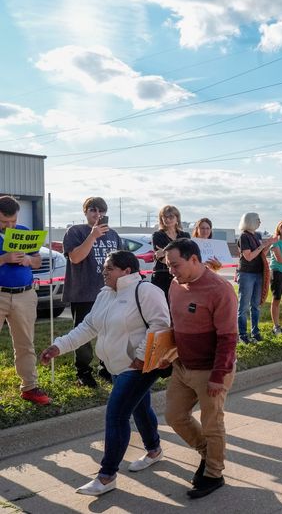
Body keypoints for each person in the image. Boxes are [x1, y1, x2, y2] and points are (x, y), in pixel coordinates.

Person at [40, 251, 170, 496]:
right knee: (140, 407)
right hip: (115, 366)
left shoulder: (146, 292)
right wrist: (59, 346)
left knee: (117, 415)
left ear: (126, 271)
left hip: (139, 367)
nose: (104, 272)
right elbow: (88, 326)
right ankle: (154, 450)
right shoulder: (105, 295)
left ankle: (107, 476)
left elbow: (161, 325)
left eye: (109, 268)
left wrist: (140, 358)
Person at [162, 238, 238, 499]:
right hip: (182, 366)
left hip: (211, 370)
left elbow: (229, 337)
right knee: (174, 415)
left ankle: (214, 474)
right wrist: (165, 355)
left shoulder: (220, 289)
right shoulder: (175, 285)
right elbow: (177, 326)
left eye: (175, 264)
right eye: (168, 265)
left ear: (194, 259)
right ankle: (208, 454)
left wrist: (218, 376)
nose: (171, 270)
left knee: (212, 424)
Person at [63, 196, 121, 387]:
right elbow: (76, 258)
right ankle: (83, 371)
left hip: (109, 292)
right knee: (83, 333)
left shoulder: (113, 235)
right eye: (93, 211)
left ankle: (106, 367)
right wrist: (93, 236)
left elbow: (120, 262)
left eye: (101, 211)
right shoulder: (76, 231)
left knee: (110, 331)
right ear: (85, 212)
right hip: (83, 292)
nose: (98, 215)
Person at [0, 195, 50, 406]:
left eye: (13, 221)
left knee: (25, 343)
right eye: (4, 222)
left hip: (25, 294)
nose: (10, 226)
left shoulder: (25, 231)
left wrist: (30, 260)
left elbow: (38, 261)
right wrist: (4, 259)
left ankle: (29, 387)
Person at [236, 212, 274, 343]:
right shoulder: (243, 236)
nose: (260, 222)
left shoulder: (257, 235)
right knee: (244, 305)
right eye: (258, 220)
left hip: (258, 273)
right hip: (247, 273)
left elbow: (261, 253)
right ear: (250, 221)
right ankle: (242, 334)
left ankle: (255, 331)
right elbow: (249, 256)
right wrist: (263, 245)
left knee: (256, 305)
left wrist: (269, 244)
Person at [152, 205, 190, 299]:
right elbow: (161, 258)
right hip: (162, 276)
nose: (168, 220)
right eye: (165, 217)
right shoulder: (158, 235)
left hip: (182, 276)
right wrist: (179, 258)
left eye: (171, 217)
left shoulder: (185, 236)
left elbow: (188, 256)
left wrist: (165, 253)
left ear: (177, 218)